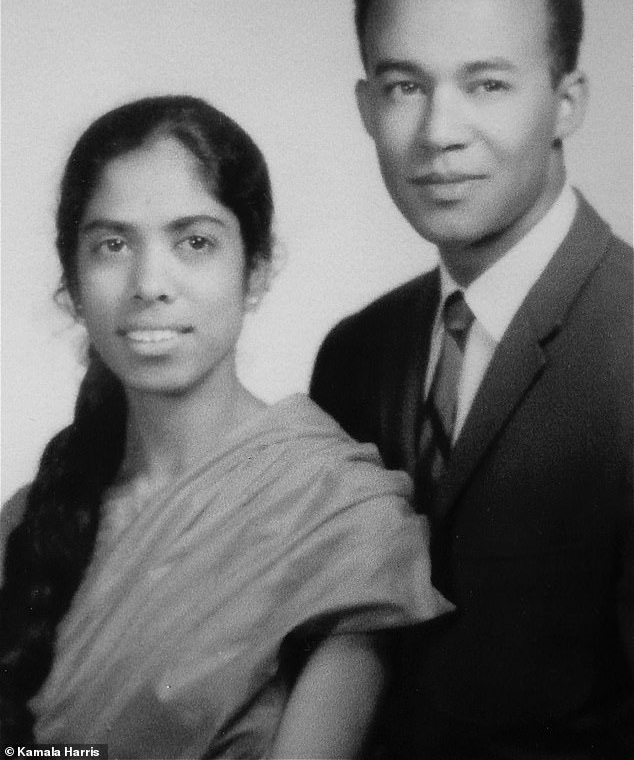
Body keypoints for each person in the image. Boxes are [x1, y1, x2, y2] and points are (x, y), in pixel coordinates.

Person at [0, 95, 452, 758]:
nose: (150, 282)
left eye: (196, 242)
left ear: (258, 271)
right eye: (113, 244)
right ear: (72, 280)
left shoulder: (340, 517)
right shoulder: (28, 524)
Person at [310, 0, 633, 759]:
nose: (438, 132)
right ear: (365, 105)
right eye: (404, 86)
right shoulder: (354, 355)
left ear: (567, 104)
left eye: (487, 84)